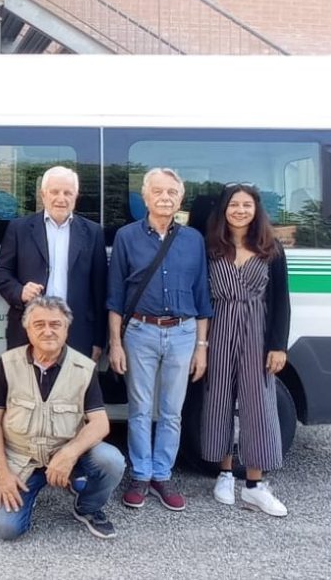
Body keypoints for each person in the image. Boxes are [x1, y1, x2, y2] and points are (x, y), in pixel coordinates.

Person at [106, 167, 212, 511]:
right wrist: (116, 344)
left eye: (172, 192)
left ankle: (162, 476)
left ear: (180, 198)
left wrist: (201, 347)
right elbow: (115, 296)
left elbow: (202, 298)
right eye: (158, 192)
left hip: (182, 333)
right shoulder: (126, 237)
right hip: (140, 331)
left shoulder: (194, 239)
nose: (165, 198)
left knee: (171, 411)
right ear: (145, 196)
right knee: (139, 410)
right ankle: (140, 474)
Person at [0, 296, 125, 540]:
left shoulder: (84, 368)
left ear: (66, 329)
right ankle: (30, 492)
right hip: (23, 460)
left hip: (68, 455)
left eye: (55, 324)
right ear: (27, 329)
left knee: (111, 460)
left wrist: (68, 454)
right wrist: (4, 475)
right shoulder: (8, 363)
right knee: (6, 530)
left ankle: (87, 506)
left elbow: (100, 423)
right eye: (39, 324)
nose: (48, 331)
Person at [202, 183, 291, 517]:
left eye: (247, 205)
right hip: (219, 329)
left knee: (258, 404)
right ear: (224, 210)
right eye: (234, 205)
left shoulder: (271, 249)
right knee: (219, 399)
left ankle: (255, 484)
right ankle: (224, 474)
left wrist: (278, 345)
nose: (240, 210)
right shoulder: (211, 248)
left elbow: (282, 301)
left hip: (258, 330)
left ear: (256, 210)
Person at [0, 166, 108, 359]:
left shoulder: (93, 233)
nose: (61, 198)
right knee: (25, 388)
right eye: (54, 192)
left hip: (76, 332)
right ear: (43, 195)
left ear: (76, 196)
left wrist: (98, 340)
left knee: (72, 389)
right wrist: (19, 291)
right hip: (28, 328)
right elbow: (1, 271)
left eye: (67, 192)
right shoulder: (19, 228)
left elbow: (100, 290)